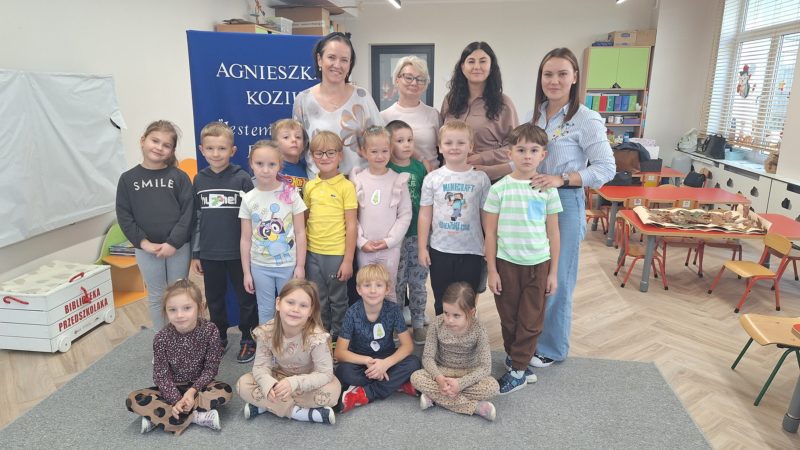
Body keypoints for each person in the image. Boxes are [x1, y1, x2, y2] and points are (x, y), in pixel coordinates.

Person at [529, 48, 615, 367]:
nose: (554, 80)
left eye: (562, 74)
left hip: (565, 201)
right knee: (537, 273)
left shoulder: (586, 119)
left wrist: (562, 178)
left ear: (575, 77)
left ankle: (552, 348)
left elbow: (606, 169)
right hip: (534, 200)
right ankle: (533, 337)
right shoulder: (537, 114)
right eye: (548, 74)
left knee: (559, 277)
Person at [483, 123, 562, 394]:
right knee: (509, 318)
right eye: (521, 150)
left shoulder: (548, 189)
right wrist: (492, 270)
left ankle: (517, 370)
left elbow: (554, 233)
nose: (527, 156)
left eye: (534, 150)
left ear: (543, 155)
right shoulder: (499, 189)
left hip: (538, 266)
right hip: (506, 265)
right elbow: (490, 233)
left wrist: (553, 273)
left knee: (530, 319)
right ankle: (516, 358)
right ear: (510, 153)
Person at [191, 121, 259, 363]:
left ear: (232, 150)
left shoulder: (242, 179)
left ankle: (248, 338)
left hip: (239, 253)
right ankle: (218, 336)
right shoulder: (199, 180)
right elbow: (197, 219)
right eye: (210, 148)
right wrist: (196, 253)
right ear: (202, 150)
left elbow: (253, 218)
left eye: (222, 148)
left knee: (246, 299)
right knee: (215, 298)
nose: (216, 154)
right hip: (210, 253)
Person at [125, 279, 230, 435]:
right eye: (172, 310)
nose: (180, 315)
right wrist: (176, 400)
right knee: (133, 399)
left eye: (187, 308)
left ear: (200, 307)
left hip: (200, 387)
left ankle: (160, 417)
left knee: (224, 391)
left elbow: (211, 369)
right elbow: (161, 376)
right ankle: (196, 417)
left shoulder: (210, 330)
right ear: (166, 312)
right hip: (171, 388)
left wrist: (191, 392)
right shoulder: (161, 338)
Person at [116, 120, 194, 330]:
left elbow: (188, 213)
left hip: (178, 247)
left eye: (166, 145)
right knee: (157, 295)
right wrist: (144, 243)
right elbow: (124, 216)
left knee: (179, 294)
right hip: (146, 249)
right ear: (143, 140)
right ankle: (162, 341)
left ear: (172, 150)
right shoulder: (127, 179)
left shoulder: (179, 177)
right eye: (155, 141)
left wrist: (173, 242)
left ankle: (182, 338)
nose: (159, 147)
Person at [237, 279, 341, 425]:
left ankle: (267, 406)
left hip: (307, 382)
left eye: (303, 305)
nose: (295, 309)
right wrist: (269, 385)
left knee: (333, 391)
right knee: (242, 384)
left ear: (311, 311)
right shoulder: (266, 332)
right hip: (279, 378)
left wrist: (294, 383)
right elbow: (261, 367)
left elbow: (325, 373)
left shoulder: (316, 337)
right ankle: (302, 414)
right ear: (278, 303)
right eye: (290, 302)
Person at [418, 121, 490, 316]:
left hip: (472, 250)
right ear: (440, 147)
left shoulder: (481, 179)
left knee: (467, 300)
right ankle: (442, 333)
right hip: (440, 250)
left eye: (461, 142)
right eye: (448, 143)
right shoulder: (432, 178)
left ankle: (467, 334)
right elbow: (425, 214)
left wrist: (490, 243)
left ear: (471, 146)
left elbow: (486, 214)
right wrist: (422, 247)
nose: (454, 147)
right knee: (442, 300)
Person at [334, 263, 421, 413]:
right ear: (358, 289)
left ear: (387, 289)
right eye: (367, 285)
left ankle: (365, 393)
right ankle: (396, 384)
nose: (373, 290)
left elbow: (408, 345)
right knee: (343, 371)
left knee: (414, 363)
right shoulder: (352, 313)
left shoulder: (393, 310)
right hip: (361, 362)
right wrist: (367, 361)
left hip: (386, 359)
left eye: (379, 285)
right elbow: (339, 353)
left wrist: (385, 364)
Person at [293, 32, 383, 177]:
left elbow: (382, 140)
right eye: (331, 57)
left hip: (360, 184)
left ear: (350, 64)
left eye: (344, 60)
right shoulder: (303, 100)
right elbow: (297, 147)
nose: (337, 65)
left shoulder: (362, 97)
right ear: (319, 59)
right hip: (320, 186)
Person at [239, 140, 307, 324]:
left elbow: (300, 233)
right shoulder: (248, 199)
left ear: (280, 165)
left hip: (288, 265)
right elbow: (245, 239)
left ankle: (288, 343)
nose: (265, 170)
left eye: (271, 164)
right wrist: (247, 272)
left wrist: (300, 265)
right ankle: (266, 342)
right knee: (265, 309)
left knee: (290, 309)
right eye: (259, 164)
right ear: (251, 164)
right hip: (260, 266)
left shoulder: (291, 194)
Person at [410, 282, 499, 420]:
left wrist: (460, 384)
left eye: (456, 315)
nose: (449, 320)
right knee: (416, 377)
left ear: (471, 313)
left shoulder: (479, 329)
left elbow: (485, 367)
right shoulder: (436, 324)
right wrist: (439, 378)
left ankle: (435, 397)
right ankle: (475, 407)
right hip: (442, 371)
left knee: (492, 387)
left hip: (468, 373)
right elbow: (427, 357)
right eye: (446, 313)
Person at [303, 131, 357, 341]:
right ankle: (322, 336)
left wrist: (348, 260)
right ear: (312, 157)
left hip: (336, 253)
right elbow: (305, 220)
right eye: (319, 153)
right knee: (319, 298)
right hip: (313, 253)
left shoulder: (346, 186)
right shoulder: (310, 186)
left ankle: (339, 338)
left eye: (330, 153)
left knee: (338, 299)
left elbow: (351, 225)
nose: (324, 157)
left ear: (340, 156)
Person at [350, 126, 412, 304]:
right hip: (365, 249)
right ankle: (368, 322)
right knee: (366, 290)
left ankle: (390, 322)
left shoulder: (398, 180)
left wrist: (390, 241)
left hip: (390, 249)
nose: (380, 156)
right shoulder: (358, 180)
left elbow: (405, 214)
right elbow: (352, 216)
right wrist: (361, 242)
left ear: (390, 150)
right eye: (374, 151)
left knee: (389, 289)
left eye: (384, 151)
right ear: (363, 152)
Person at [441, 42, 519, 181]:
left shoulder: (504, 103)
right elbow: (442, 136)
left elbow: (516, 146)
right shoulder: (450, 100)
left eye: (483, 61)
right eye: (471, 61)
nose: (477, 66)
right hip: (451, 177)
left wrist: (484, 157)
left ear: (491, 67)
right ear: (462, 67)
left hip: (489, 179)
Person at [385, 120, 429, 344]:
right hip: (395, 238)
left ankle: (419, 323)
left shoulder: (419, 168)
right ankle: (397, 325)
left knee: (418, 282)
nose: (406, 144)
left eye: (410, 140)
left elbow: (427, 202)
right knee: (397, 283)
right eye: (400, 140)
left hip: (418, 236)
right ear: (389, 144)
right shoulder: (387, 169)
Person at [380, 56, 441, 171]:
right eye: (408, 77)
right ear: (397, 80)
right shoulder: (383, 117)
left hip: (431, 177)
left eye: (420, 79)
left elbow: (444, 148)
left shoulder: (433, 114)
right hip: (397, 177)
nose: (414, 83)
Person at [272, 118, 309, 194]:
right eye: (286, 137)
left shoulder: (308, 171)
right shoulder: (272, 169)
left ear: (304, 144)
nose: (294, 140)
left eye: (298, 137)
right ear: (275, 144)